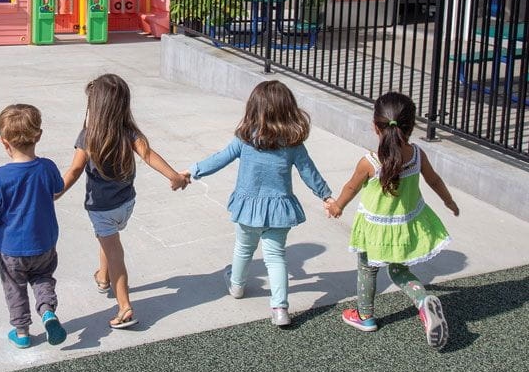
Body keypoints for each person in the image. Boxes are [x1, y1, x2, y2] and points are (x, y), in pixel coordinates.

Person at [182, 80, 333, 327]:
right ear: (289, 110)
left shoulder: (245, 139)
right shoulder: (293, 144)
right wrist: (326, 195)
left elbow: (219, 159)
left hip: (248, 208)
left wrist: (192, 171)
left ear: (254, 109)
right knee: (276, 257)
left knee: (243, 249)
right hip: (279, 210)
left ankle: (237, 286)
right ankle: (280, 308)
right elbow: (309, 172)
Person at [326, 92, 459, 349]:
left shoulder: (370, 162)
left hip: (374, 229)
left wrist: (337, 206)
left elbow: (351, 187)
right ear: (412, 126)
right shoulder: (417, 155)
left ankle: (365, 316)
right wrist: (448, 201)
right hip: (404, 226)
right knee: (398, 270)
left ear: (376, 126)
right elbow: (434, 181)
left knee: (367, 268)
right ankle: (422, 299)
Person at [57, 74, 189, 329]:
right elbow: (149, 155)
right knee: (107, 239)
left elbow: (74, 171)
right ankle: (103, 277)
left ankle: (125, 307)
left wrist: (54, 194)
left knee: (114, 251)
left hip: (101, 208)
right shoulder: (130, 132)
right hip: (126, 204)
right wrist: (175, 177)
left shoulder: (88, 136)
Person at [0, 104, 67, 349]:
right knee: (43, 278)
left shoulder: (0, 177)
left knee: (15, 287)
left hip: (10, 248)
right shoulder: (47, 167)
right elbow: (57, 190)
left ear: (4, 142)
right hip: (44, 243)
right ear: (39, 136)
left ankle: (22, 332)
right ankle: (48, 312)